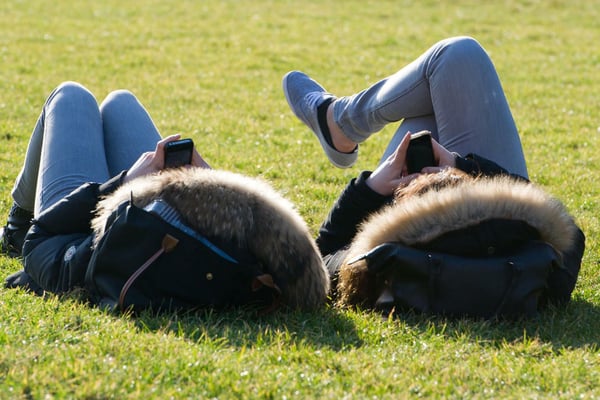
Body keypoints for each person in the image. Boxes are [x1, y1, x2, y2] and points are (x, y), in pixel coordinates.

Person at [282, 36, 585, 309]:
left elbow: (319, 263)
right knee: (455, 61)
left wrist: (370, 187)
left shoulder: (380, 256)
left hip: (422, 238)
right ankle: (340, 121)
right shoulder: (525, 236)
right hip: (484, 226)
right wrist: (461, 165)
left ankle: (340, 123)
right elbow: (567, 230)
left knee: (449, 71)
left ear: (398, 205)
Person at [1, 81, 210, 291]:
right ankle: (17, 224)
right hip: (172, 222)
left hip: (88, 243)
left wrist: (123, 183)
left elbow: (50, 233)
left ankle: (18, 224)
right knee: (121, 101)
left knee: (71, 96)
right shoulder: (229, 253)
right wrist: (210, 182)